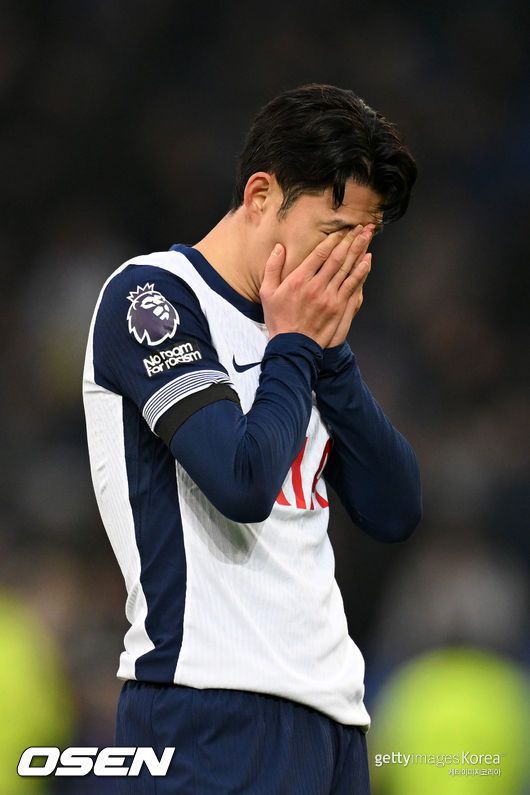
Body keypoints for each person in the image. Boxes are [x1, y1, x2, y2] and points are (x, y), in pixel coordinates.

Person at [83, 83, 421, 794]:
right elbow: (241, 483)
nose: (346, 262)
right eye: (334, 232)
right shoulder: (153, 298)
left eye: (364, 241)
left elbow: (395, 509)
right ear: (261, 195)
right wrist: (296, 345)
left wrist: (329, 356)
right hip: (207, 707)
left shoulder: (302, 332)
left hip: (335, 716)